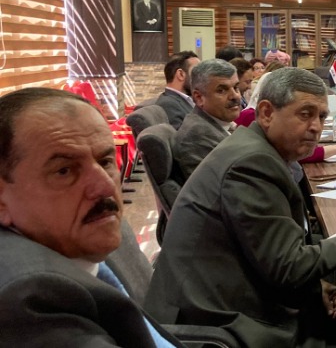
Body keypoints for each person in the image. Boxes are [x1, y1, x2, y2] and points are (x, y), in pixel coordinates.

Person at [145, 68, 336, 347]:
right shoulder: (251, 164)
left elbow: (273, 252)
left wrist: (316, 285)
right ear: (267, 113)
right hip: (223, 323)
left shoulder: (255, 148)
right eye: (305, 114)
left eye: (322, 116)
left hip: (231, 295)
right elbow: (287, 267)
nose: (316, 126)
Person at [0, 88, 180, 346]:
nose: (105, 186)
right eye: (64, 171)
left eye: (105, 161)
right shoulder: (28, 299)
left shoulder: (83, 236)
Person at [173, 59, 243, 180]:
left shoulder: (214, 124)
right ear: (199, 97)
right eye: (222, 90)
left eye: (236, 87)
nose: (235, 96)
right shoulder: (197, 137)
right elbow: (226, 191)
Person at [152, 50, 199, 129]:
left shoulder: (185, 100)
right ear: (181, 74)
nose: (201, 77)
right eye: (197, 72)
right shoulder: (168, 105)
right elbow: (185, 139)